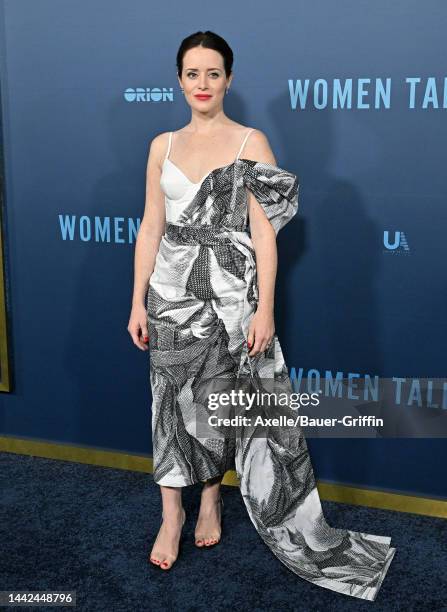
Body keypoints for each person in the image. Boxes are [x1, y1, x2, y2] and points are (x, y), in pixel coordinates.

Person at [127, 30, 396, 601]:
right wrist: (136, 300)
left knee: (219, 405)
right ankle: (170, 514)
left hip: (231, 296)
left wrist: (264, 308)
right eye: (192, 74)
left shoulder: (253, 142)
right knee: (169, 404)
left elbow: (263, 236)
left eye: (213, 73)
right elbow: (150, 226)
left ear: (229, 79)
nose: (202, 84)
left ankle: (208, 502)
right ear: (178, 79)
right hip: (170, 292)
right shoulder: (161, 145)